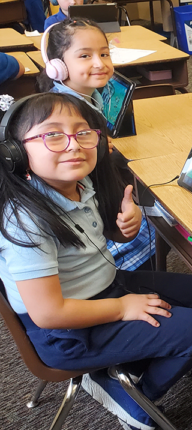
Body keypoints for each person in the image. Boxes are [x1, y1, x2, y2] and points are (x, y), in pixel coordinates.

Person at [0, 93, 192, 430]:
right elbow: (48, 313)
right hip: (65, 331)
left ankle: (112, 368)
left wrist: (127, 226)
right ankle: (130, 397)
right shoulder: (27, 221)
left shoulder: (78, 183)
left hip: (101, 286)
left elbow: (99, 238)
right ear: (14, 153)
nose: (74, 145)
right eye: (52, 135)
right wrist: (122, 309)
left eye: (83, 132)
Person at [38, 18, 157, 272]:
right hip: (72, 216)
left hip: (91, 191)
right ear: (56, 66)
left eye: (104, 53)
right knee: (157, 225)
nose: (100, 63)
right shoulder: (64, 114)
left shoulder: (87, 97)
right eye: (84, 56)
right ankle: (116, 276)